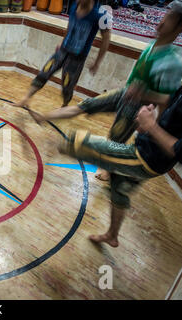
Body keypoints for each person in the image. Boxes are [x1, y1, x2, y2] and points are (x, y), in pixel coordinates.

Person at [27, 2, 182, 181]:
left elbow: (166, 100)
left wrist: (146, 107)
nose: (161, 21)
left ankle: (108, 169)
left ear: (179, 27)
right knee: (86, 105)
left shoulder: (173, 62)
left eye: (169, 19)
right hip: (124, 93)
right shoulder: (153, 44)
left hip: (137, 107)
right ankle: (44, 116)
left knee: (115, 138)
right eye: (164, 15)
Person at [51, 90, 182, 248]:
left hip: (144, 159)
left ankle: (54, 148)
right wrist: (145, 100)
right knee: (119, 188)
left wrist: (151, 126)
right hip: (148, 152)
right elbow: (169, 102)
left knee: (78, 142)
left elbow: (177, 150)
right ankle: (112, 236)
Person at [13, 0, 111, 108]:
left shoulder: (101, 15)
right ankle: (26, 98)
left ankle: (65, 105)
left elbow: (106, 39)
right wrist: (62, 41)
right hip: (63, 49)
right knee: (45, 71)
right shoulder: (74, 5)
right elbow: (70, 26)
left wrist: (97, 63)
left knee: (67, 85)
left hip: (78, 57)